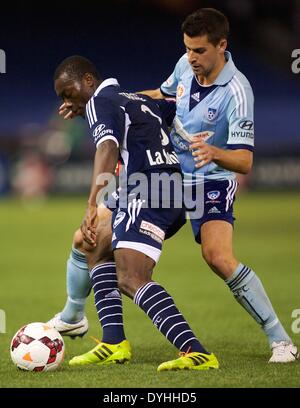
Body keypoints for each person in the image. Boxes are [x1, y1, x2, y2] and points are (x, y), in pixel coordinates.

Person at [140, 7, 298, 363]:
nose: (191, 58)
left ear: (221, 45)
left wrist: (213, 151)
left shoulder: (238, 92)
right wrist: (117, 102)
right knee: (113, 236)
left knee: (217, 256)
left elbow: (244, 161)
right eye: (187, 49)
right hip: (171, 175)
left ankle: (281, 340)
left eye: (199, 51)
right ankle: (74, 317)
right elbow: (163, 96)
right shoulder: (184, 66)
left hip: (211, 181)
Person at [53, 55, 219, 371]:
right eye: (62, 97)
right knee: (92, 245)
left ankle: (195, 351)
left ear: (88, 80)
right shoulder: (135, 99)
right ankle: (113, 342)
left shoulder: (100, 103)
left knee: (131, 277)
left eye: (68, 92)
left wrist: (92, 203)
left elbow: (108, 148)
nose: (66, 101)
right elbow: (172, 111)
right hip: (160, 188)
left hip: (148, 190)